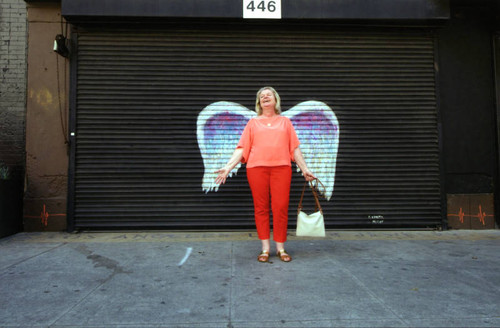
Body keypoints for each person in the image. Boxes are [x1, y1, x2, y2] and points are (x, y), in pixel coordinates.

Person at [215, 87, 316, 262]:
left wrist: (305, 169)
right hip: (256, 169)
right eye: (262, 96)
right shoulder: (253, 123)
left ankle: (281, 248)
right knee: (261, 208)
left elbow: (295, 149)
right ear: (259, 103)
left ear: (276, 100)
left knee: (281, 208)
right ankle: (265, 249)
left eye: (268, 94)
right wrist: (228, 167)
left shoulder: (285, 122)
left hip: (281, 168)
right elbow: (242, 148)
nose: (265, 97)